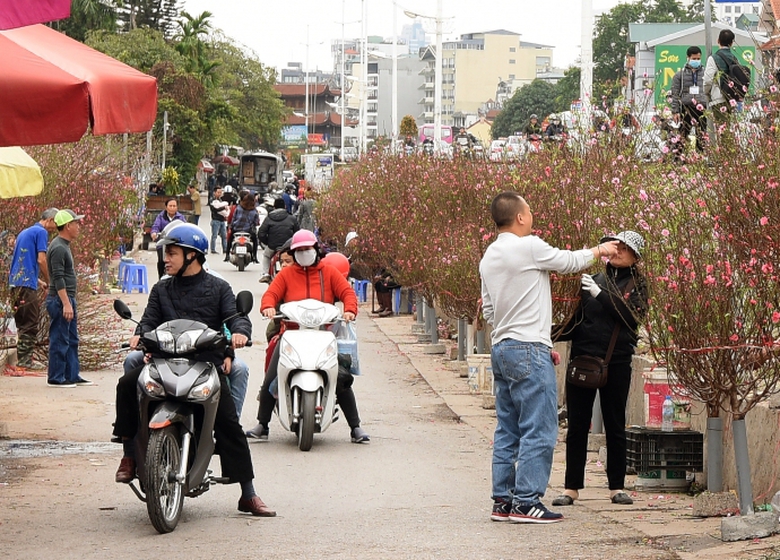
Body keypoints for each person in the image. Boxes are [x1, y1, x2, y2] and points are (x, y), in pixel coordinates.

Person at [111, 224, 275, 517]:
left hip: (204, 364)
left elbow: (236, 318)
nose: (166, 260)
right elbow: (148, 321)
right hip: (163, 361)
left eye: (172, 253)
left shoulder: (219, 288)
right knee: (127, 384)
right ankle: (128, 456)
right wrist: (140, 333)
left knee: (227, 422)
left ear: (192, 256)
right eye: (166, 254)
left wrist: (238, 333)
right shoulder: (162, 289)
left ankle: (247, 493)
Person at [479, 192, 619, 524]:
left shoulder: (489, 256)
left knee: (508, 429)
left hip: (502, 348)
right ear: (520, 217)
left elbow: (488, 310)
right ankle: (527, 501)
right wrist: (600, 250)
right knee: (539, 428)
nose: (532, 216)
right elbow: (568, 261)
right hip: (528, 348)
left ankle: (504, 500)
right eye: (529, 210)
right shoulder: (529, 246)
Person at [551, 231, 648, 508]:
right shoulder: (592, 281)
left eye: (623, 248)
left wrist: (601, 295)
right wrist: (546, 335)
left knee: (615, 424)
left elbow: (631, 318)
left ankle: (616, 486)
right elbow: (575, 323)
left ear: (635, 256)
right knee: (577, 425)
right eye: (614, 246)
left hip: (616, 361)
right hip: (583, 360)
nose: (616, 251)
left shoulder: (638, 285)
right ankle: (571, 487)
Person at [245, 229, 369, 444]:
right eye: (299, 250)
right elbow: (271, 294)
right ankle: (262, 424)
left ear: (317, 250)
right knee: (271, 378)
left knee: (340, 379)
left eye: (307, 249)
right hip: (291, 335)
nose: (304, 253)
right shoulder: (286, 274)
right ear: (293, 254)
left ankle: (355, 427)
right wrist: (268, 307)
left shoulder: (329, 272)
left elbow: (347, 293)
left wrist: (349, 310)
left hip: (323, 335)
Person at [8, 208, 59, 370]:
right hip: (26, 286)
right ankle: (25, 360)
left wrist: (38, 281)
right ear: (50, 219)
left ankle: (23, 358)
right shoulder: (41, 232)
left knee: (22, 322)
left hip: (15, 283)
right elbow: (41, 260)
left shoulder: (25, 232)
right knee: (30, 321)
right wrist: (49, 280)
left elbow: (22, 263)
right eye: (55, 224)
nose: (55, 228)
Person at [46, 209, 92, 388]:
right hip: (60, 301)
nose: (78, 227)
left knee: (72, 339)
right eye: (76, 223)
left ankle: (72, 375)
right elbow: (58, 277)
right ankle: (56, 377)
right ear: (67, 226)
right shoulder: (58, 247)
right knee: (60, 339)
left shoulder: (64, 245)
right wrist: (65, 303)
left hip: (68, 299)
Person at [671, 46, 708, 157]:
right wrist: (675, 111)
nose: (696, 61)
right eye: (694, 58)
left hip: (702, 107)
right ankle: (678, 157)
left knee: (701, 134)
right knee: (683, 133)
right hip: (687, 107)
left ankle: (700, 157)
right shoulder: (680, 75)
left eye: (698, 58)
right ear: (688, 58)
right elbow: (675, 94)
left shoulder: (705, 73)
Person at [704, 29, 741, 141]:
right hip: (731, 99)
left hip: (719, 98)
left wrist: (706, 92)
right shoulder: (734, 58)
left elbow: (707, 80)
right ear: (732, 43)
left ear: (718, 41)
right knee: (728, 129)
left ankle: (725, 156)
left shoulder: (713, 58)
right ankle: (729, 154)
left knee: (722, 131)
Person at [257, 198, 299, 283]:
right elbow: (297, 233)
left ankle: (265, 274)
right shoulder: (291, 218)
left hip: (273, 246)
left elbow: (261, 233)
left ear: (274, 207)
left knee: (266, 255)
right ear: (285, 206)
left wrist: (268, 242)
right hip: (288, 246)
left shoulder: (269, 218)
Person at [150, 197, 186, 280]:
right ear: (166, 207)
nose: (172, 208)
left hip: (176, 243)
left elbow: (184, 227)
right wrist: (154, 233)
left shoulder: (180, 217)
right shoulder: (161, 217)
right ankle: (160, 278)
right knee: (161, 262)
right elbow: (156, 226)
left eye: (174, 206)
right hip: (163, 243)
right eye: (170, 206)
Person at [226, 192, 261, 263]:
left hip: (236, 229)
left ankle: (227, 255)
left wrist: (231, 227)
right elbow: (256, 222)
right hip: (248, 231)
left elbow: (233, 218)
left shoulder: (238, 208)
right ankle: (254, 257)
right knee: (255, 241)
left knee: (230, 240)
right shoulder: (254, 211)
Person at [209, 186, 229, 254]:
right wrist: (223, 208)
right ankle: (213, 249)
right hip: (215, 220)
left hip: (222, 220)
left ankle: (225, 249)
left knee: (224, 236)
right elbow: (215, 210)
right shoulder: (212, 200)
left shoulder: (221, 200)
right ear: (214, 192)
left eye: (220, 192)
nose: (219, 194)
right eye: (218, 192)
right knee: (214, 235)